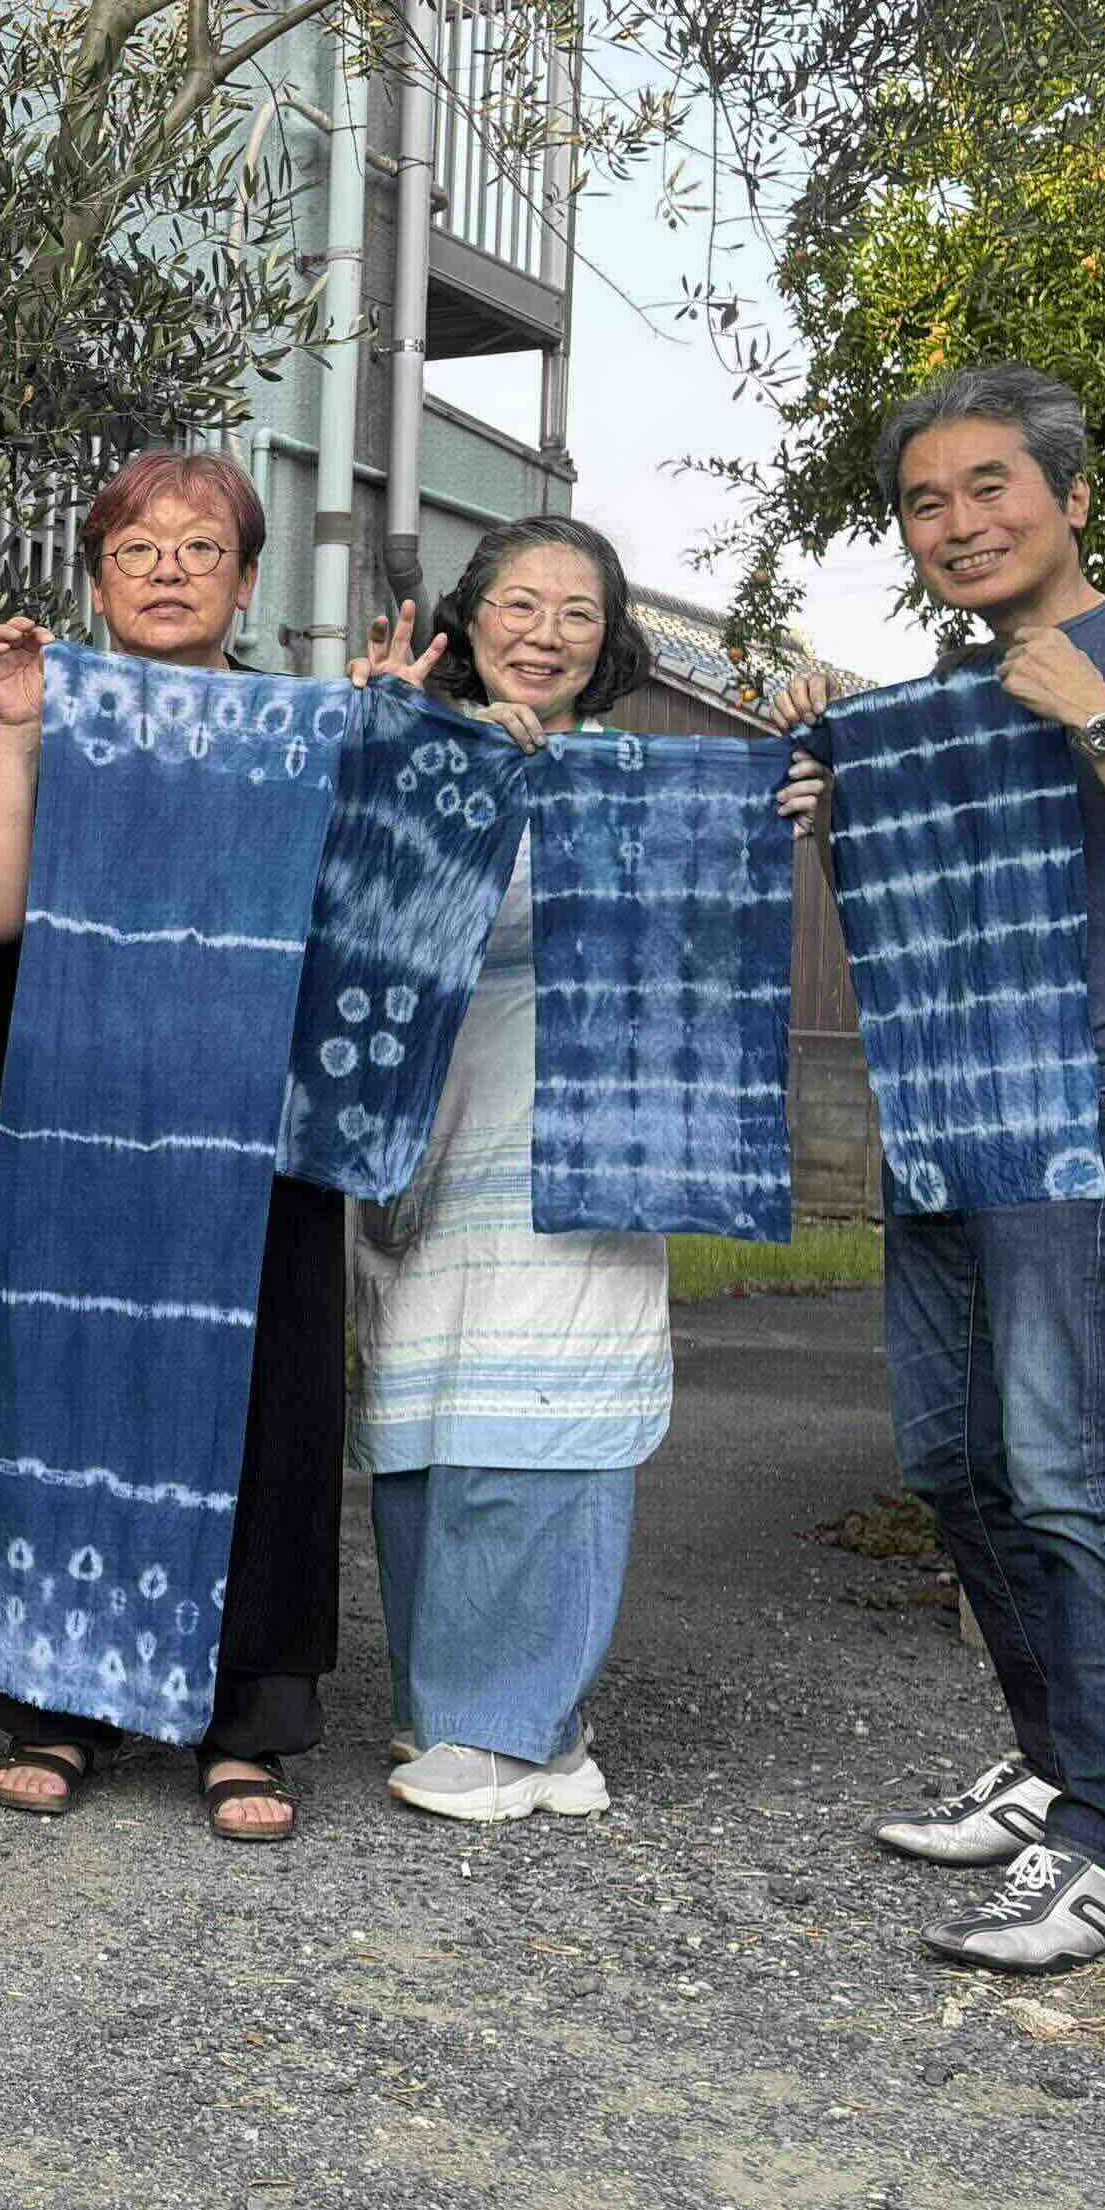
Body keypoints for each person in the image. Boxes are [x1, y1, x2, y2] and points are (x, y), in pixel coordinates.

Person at [767, 364, 1105, 1973]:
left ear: (1069, 497)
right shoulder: (949, 694)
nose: (959, 522)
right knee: (955, 1466)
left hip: (1093, 1104)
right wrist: (834, 789)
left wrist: (1095, 711)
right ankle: (1060, 1768)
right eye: (927, 503)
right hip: (946, 1112)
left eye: (991, 486)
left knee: (1067, 1470)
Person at [348, 516, 822, 1823]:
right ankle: (489, 1716)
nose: (544, 634)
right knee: (425, 1422)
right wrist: (394, 752)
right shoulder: (410, 746)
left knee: (543, 1416)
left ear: (609, 642)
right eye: (518, 603)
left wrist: (768, 816)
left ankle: (512, 1723)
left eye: (577, 613)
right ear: (470, 615)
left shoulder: (636, 776)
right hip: (426, 1131)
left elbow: (703, 928)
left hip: (590, 1129)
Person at [0, 447, 347, 1842]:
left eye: (201, 548)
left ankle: (248, 1724)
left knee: (267, 1391)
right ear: (98, 578)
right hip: (66, 1098)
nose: (169, 572)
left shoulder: (303, 735)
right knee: (67, 1371)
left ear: (247, 580)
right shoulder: (51, 710)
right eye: (137, 550)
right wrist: (11, 728)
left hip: (257, 1110)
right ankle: (55, 1702)